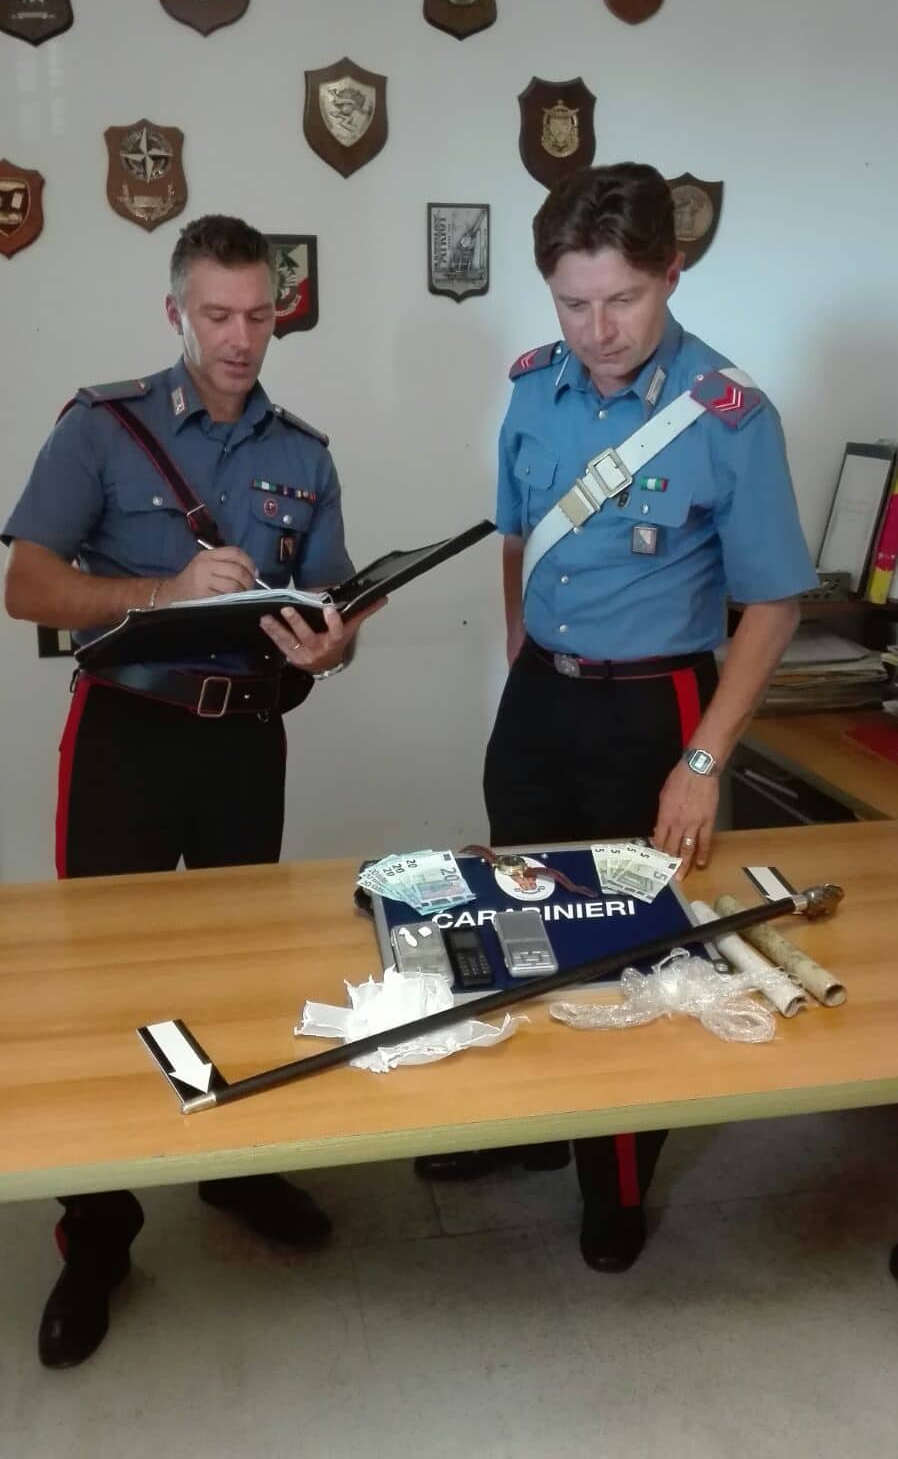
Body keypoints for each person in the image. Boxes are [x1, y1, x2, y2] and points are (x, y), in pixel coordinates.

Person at [416, 163, 817, 1271]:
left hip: (657, 710)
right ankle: (545, 1134)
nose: (596, 329)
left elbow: (776, 601)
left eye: (621, 301)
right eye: (572, 303)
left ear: (669, 272)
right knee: (525, 925)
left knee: (637, 955)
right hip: (544, 694)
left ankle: (617, 1182)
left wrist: (702, 759)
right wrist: (523, 668)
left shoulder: (728, 415)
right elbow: (515, 537)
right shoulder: (533, 386)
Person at [2, 214, 381, 1368]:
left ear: (281, 310)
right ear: (177, 313)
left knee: (236, 969)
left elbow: (336, 609)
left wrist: (333, 646)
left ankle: (235, 1169)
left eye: (259, 315)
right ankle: (99, 1236)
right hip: (125, 737)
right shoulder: (100, 428)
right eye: (216, 315)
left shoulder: (302, 451)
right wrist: (164, 587)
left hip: (243, 744)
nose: (239, 338)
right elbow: (27, 585)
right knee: (105, 985)